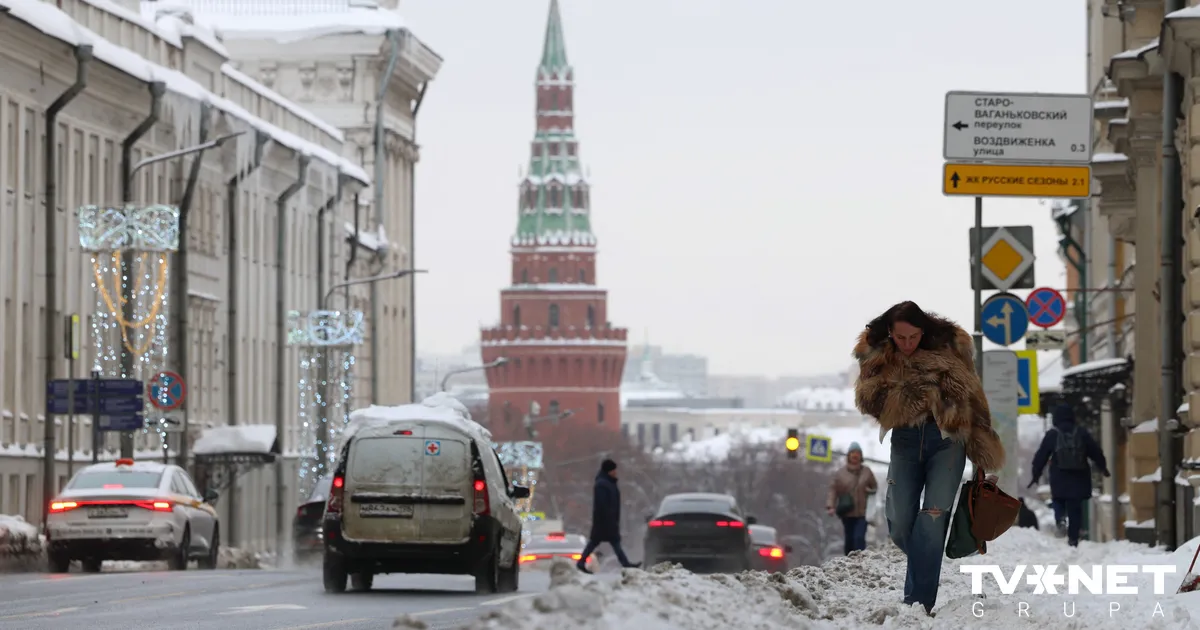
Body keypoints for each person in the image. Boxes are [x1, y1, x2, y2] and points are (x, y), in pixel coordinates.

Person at [854, 301, 1005, 617]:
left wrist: (982, 447)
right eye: (901, 338)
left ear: (923, 331)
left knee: (933, 517)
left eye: (913, 337)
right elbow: (867, 400)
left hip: (947, 441)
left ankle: (918, 603)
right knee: (899, 521)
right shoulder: (878, 353)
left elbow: (973, 396)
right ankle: (926, 560)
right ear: (890, 333)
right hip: (905, 441)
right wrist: (910, 389)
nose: (907, 344)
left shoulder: (951, 347)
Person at [1029, 404, 1109, 547]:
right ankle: (1073, 539)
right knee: (1075, 507)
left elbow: (1041, 456)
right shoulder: (1081, 433)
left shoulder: (1053, 434)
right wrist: (1103, 467)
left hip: (1059, 476)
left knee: (1058, 499)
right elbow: (1095, 451)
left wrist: (1036, 474)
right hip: (1079, 476)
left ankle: (1060, 519)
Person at [577, 459, 641, 573]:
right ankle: (626, 564)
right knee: (609, 542)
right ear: (609, 471)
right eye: (613, 470)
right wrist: (608, 518)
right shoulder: (602, 484)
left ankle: (581, 562)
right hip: (604, 521)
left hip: (607, 520)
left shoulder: (608, 483)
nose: (615, 472)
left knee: (601, 542)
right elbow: (602, 504)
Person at [826, 442, 877, 555]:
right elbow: (833, 490)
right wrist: (830, 506)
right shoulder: (840, 474)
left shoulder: (867, 472)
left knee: (859, 538)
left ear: (861, 456)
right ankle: (849, 561)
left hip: (862, 513)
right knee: (849, 540)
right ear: (848, 455)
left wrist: (869, 490)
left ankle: (861, 560)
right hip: (847, 512)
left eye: (857, 453)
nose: (855, 455)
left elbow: (874, 486)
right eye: (852, 452)